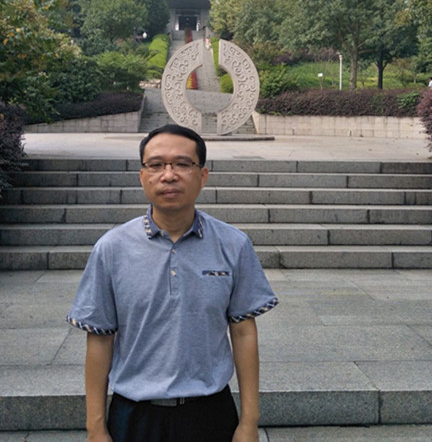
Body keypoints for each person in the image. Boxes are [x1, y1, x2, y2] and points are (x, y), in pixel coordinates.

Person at [67, 124, 278, 442]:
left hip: (210, 413)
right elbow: (99, 338)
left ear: (202, 176)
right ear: (142, 176)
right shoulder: (112, 248)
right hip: (134, 416)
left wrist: (249, 421)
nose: (169, 175)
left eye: (182, 164)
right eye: (156, 165)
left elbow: (244, 331)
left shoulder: (233, 244)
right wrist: (95, 428)